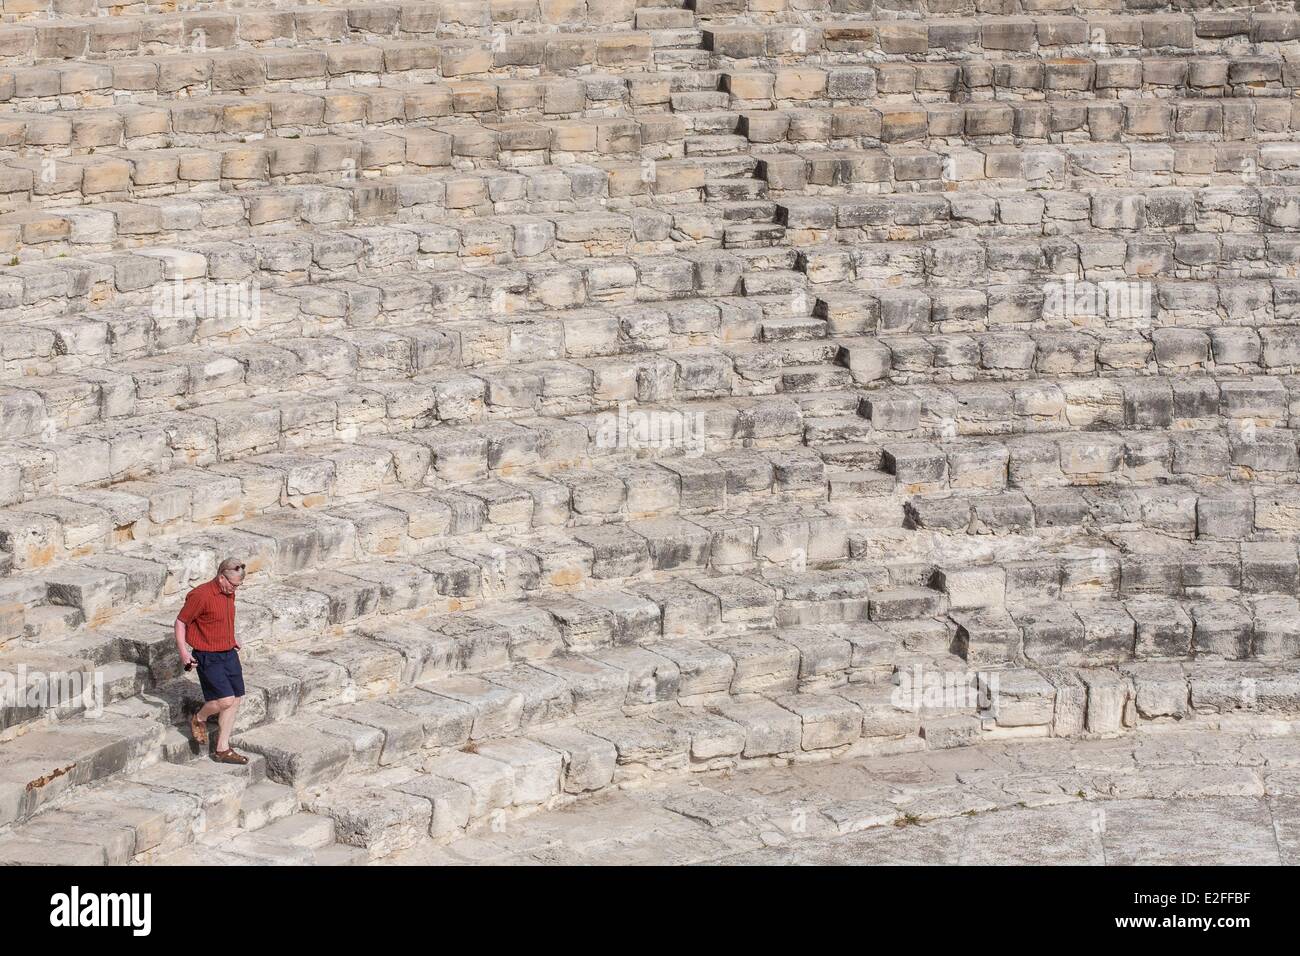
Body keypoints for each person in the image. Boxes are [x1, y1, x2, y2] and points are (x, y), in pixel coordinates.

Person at [175, 557, 248, 765]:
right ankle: (200, 717)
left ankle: (222, 749)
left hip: (228, 652)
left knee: (235, 699)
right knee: (224, 700)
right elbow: (181, 622)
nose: (235, 589)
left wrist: (233, 638)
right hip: (208, 655)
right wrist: (184, 653)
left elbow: (221, 619)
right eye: (233, 584)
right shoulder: (201, 595)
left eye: (239, 585)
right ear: (221, 577)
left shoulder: (229, 592)